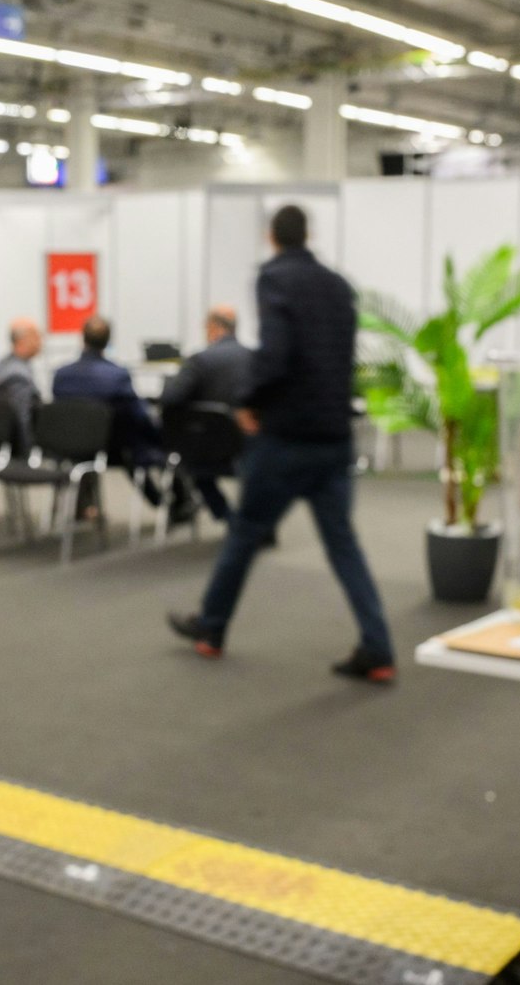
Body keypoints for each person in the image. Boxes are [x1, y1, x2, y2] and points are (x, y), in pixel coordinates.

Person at [166, 205, 395, 683]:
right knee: (343, 547)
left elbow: (276, 353)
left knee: (246, 533)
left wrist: (248, 400)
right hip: (334, 436)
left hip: (287, 438)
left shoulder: (274, 279)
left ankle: (211, 629)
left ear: (272, 237)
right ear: (307, 235)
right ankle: (379, 648)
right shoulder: (337, 285)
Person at [51, 316, 192, 519]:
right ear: (108, 341)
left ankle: (160, 502)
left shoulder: (61, 375)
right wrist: (159, 435)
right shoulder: (116, 376)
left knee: (131, 451)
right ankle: (176, 504)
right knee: (151, 450)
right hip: (114, 448)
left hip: (73, 449)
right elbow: (138, 416)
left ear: (83, 339)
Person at [158, 305, 254, 522]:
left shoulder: (199, 361)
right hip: (250, 447)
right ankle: (258, 524)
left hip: (208, 449)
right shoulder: (255, 359)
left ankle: (228, 517)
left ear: (213, 327)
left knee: (191, 469)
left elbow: (171, 399)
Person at [0, 318, 43, 454]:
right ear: (22, 340)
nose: (40, 342)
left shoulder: (2, 366)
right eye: (36, 337)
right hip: (16, 450)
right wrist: (27, 456)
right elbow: (22, 419)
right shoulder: (18, 376)